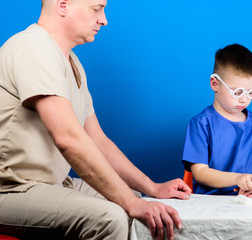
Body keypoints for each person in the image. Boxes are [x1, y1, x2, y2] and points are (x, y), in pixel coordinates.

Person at [0, 0, 191, 239]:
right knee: (109, 218)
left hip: (53, 184)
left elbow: (98, 141)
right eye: (96, 8)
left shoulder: (72, 63)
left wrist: (151, 188)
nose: (104, 19)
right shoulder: (32, 48)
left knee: (137, 200)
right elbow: (68, 138)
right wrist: (131, 203)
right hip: (13, 190)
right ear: (62, 5)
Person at [182, 43, 252, 196]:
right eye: (237, 92)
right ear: (215, 84)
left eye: (250, 92)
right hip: (209, 203)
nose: (244, 99)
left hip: (247, 202)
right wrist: (237, 178)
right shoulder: (201, 124)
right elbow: (200, 172)